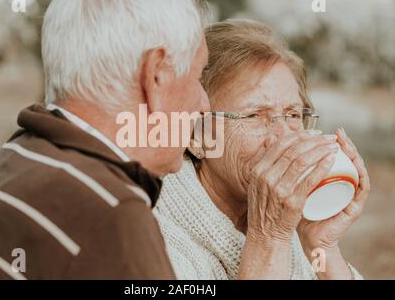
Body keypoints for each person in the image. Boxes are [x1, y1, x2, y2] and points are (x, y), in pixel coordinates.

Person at [0, 0, 210, 279]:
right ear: (156, 75)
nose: (204, 103)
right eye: (199, 76)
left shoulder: (15, 157)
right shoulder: (114, 215)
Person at [154, 20, 370, 279]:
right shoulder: (155, 240)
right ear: (197, 135)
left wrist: (322, 246)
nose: (283, 137)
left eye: (292, 114)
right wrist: (268, 238)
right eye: (255, 115)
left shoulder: (287, 223)